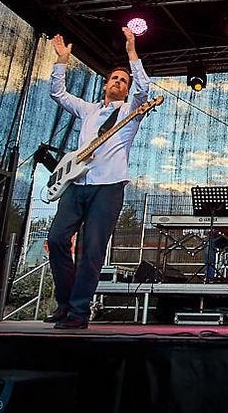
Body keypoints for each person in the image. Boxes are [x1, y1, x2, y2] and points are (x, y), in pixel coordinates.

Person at [46, 27, 151, 328]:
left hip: (109, 186)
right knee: (56, 239)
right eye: (115, 79)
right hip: (76, 184)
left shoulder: (131, 111)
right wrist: (62, 62)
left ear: (126, 90)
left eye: (123, 81)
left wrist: (132, 52)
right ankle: (65, 302)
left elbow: (144, 88)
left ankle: (79, 313)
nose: (119, 83)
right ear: (105, 85)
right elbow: (58, 94)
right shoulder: (88, 110)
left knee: (91, 250)